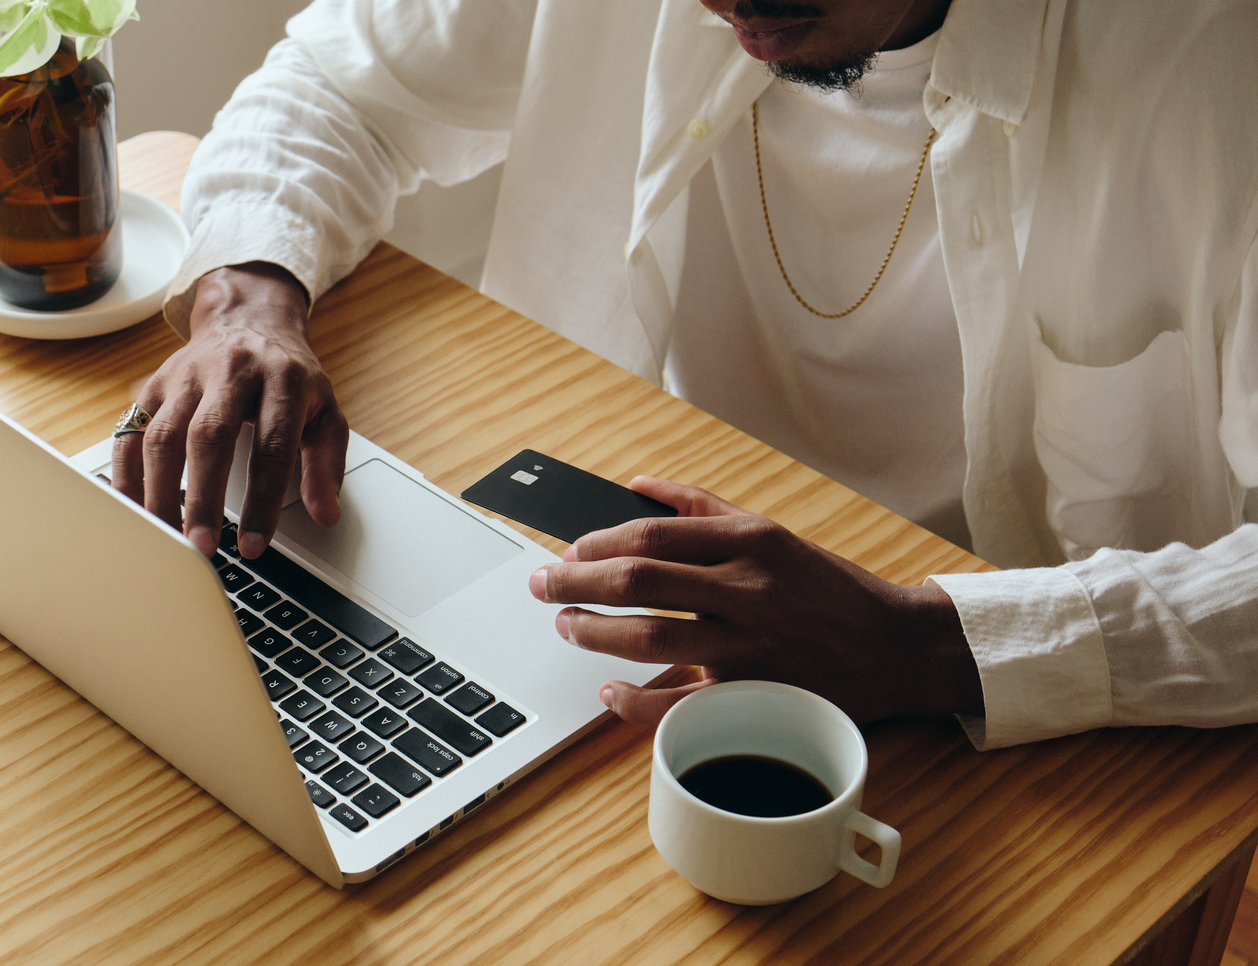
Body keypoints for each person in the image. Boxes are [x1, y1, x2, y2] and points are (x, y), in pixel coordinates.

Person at [111, 0, 1258, 760]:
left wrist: (925, 642)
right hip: (606, 597)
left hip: (984, 704)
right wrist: (246, 297)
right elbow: (336, 83)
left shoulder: (1213, 59)